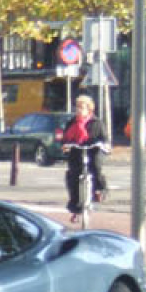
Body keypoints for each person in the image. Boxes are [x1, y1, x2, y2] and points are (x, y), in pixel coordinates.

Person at [60, 93, 109, 221]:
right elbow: (64, 139)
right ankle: (75, 205)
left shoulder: (96, 123)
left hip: (93, 150)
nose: (79, 110)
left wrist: (103, 145)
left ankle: (100, 189)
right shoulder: (71, 123)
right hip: (77, 151)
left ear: (89, 109)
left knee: (96, 166)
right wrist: (65, 145)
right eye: (77, 107)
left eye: (82, 107)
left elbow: (104, 139)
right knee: (73, 175)